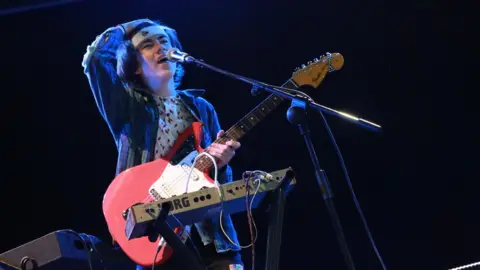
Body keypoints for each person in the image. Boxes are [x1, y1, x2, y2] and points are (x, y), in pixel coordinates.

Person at [81, 18, 244, 270]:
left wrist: (220, 165)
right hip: (157, 235)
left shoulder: (201, 108)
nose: (160, 47)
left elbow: (221, 182)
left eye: (164, 41)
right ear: (133, 65)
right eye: (148, 44)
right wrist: (132, 26)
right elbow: (95, 59)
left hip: (213, 237)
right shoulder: (128, 109)